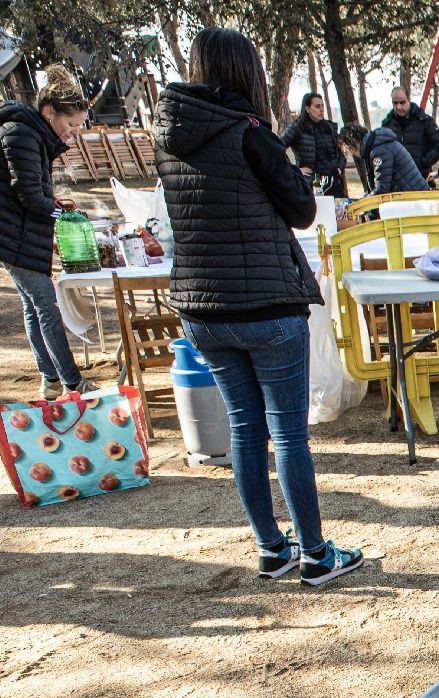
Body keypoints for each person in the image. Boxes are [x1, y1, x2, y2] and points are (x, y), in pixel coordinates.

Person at [155, 27, 365, 586]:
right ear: (247, 73)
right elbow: (301, 211)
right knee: (289, 434)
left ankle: (273, 549)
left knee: (247, 432)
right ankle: (317, 554)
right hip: (267, 305)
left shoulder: (169, 139)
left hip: (203, 309)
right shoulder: (250, 134)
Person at [0, 67, 100, 399]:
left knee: (33, 305)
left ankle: (51, 380)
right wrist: (60, 211)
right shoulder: (22, 134)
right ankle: (72, 381)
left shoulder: (27, 133)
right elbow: (28, 192)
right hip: (8, 233)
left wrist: (52, 205)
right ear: (49, 112)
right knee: (46, 305)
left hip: (11, 231)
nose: (74, 133)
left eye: (79, 127)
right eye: (71, 126)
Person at [279, 92, 345, 196]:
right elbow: (277, 147)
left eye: (322, 106)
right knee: (320, 211)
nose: (321, 109)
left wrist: (339, 168)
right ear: (307, 108)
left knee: (339, 211)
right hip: (314, 183)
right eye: (317, 106)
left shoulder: (330, 128)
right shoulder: (297, 128)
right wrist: (294, 170)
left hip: (335, 182)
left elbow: (341, 152)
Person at [341, 123, 430, 195]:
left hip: (414, 197)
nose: (355, 154)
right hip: (415, 193)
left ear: (353, 145)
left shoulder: (379, 151)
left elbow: (382, 188)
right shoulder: (378, 144)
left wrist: (366, 200)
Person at [381, 87, 439, 180]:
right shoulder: (387, 124)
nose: (399, 107)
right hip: (396, 180)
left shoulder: (424, 121)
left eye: (402, 102)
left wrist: (422, 163)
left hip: (420, 177)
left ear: (409, 100)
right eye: (395, 103)